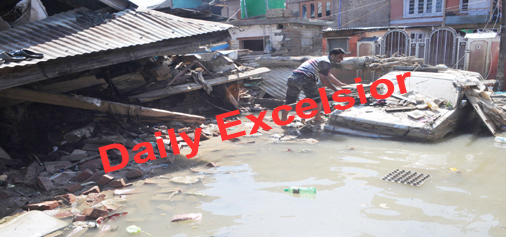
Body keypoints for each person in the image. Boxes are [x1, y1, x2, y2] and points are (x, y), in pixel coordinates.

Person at [281, 48, 348, 124]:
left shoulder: (322, 59)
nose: (341, 59)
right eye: (340, 57)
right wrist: (336, 90)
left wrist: (339, 83)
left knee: (290, 100)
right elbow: (324, 79)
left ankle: (283, 120)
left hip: (292, 78)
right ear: (332, 55)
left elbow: (328, 75)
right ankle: (317, 118)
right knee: (316, 99)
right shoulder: (325, 62)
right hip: (304, 78)